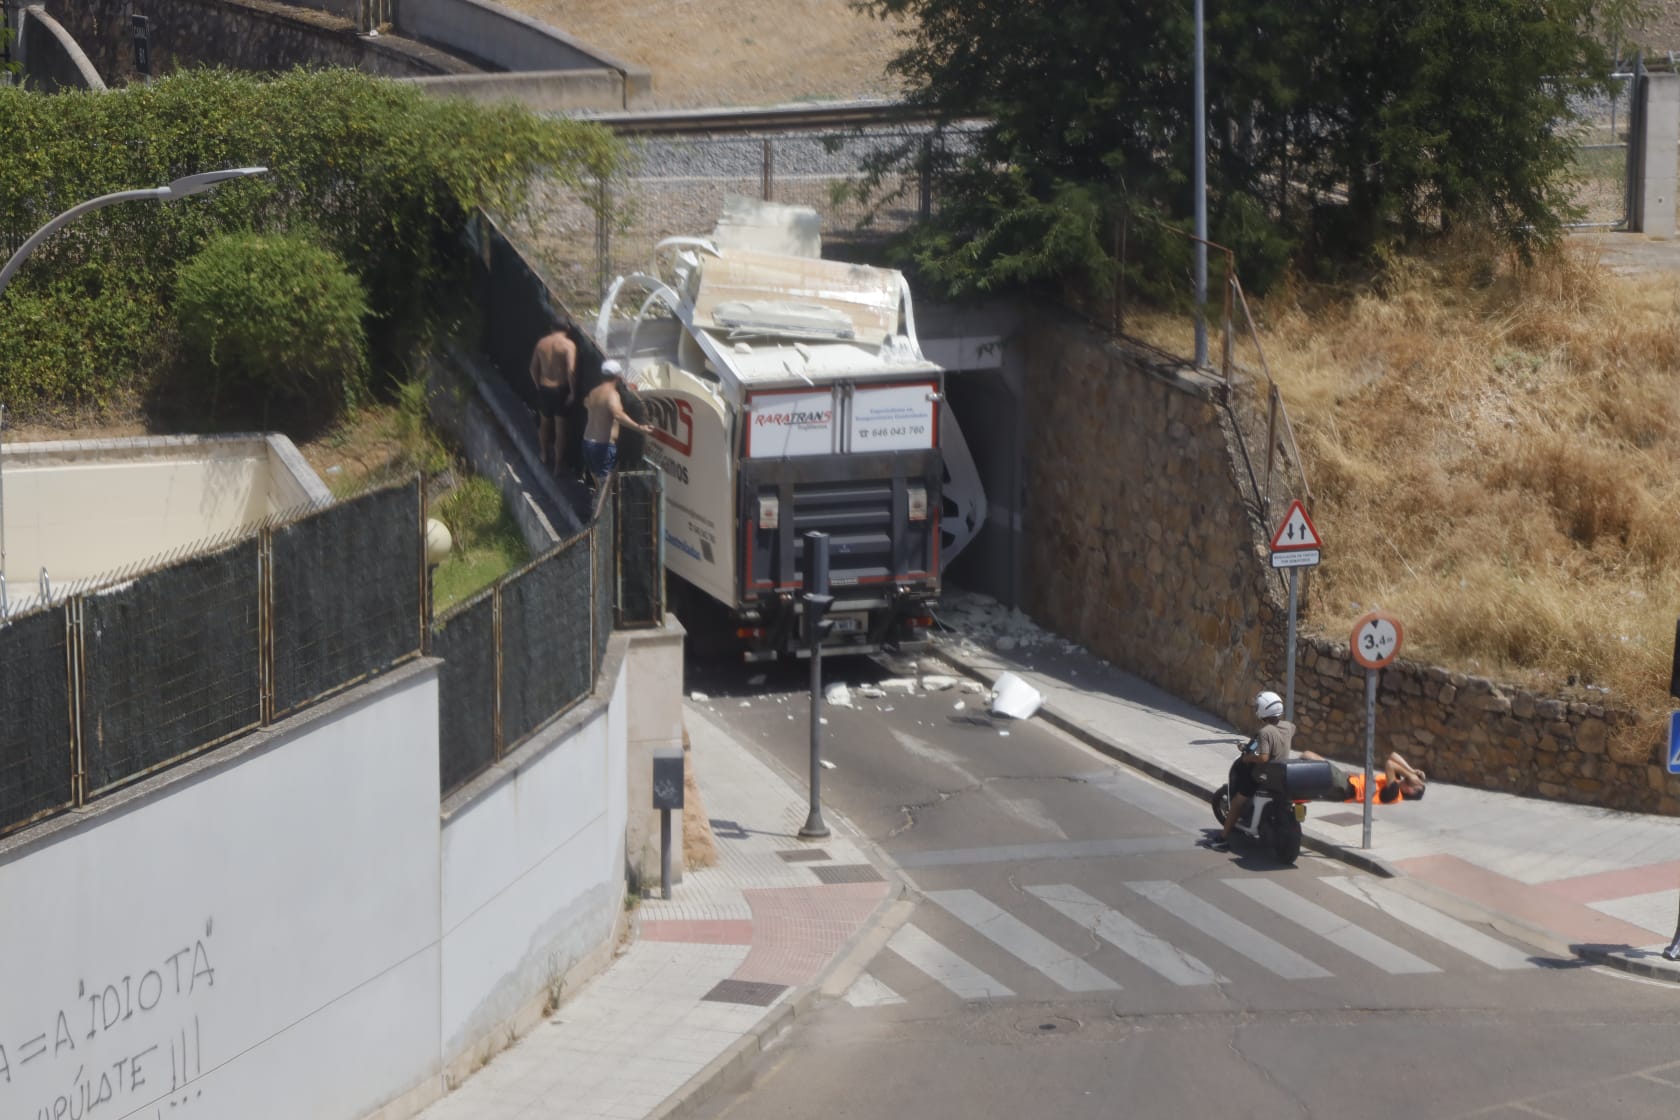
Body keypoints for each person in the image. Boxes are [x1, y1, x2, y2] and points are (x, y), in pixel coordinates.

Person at [1210, 690, 1295, 851]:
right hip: (1282, 773)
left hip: (1264, 775)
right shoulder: (1289, 727)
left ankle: (1223, 839)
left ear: (1262, 710)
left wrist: (1248, 758)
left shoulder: (1264, 732)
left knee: (1236, 802)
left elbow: (1263, 758)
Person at [580, 362, 656, 485]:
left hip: (587, 442)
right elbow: (618, 414)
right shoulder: (612, 394)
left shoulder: (594, 392)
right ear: (618, 376)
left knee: (599, 484)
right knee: (606, 487)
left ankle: (598, 501)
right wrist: (639, 427)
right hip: (602, 446)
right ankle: (602, 503)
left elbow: (586, 404)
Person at [529, 321, 579, 475]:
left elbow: (532, 368)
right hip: (560, 389)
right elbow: (570, 370)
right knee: (560, 428)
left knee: (544, 423)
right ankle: (558, 465)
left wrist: (538, 385)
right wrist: (573, 392)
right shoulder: (569, 345)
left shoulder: (542, 343)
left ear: (551, 328)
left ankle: (544, 454)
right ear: (568, 329)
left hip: (544, 388)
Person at [1297, 749, 1428, 804]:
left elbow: (1390, 764)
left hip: (1346, 788)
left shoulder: (1394, 793)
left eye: (1416, 784)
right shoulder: (1397, 782)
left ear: (1410, 791)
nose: (1413, 780)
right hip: (1345, 783)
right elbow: (1393, 756)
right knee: (1305, 781)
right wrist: (1411, 769)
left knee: (1308, 756)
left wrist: (1410, 774)